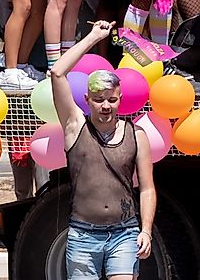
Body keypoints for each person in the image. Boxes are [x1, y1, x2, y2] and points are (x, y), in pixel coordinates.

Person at [49, 22, 155, 280]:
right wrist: (94, 37)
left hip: (125, 233)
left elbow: (148, 188)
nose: (105, 106)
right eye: (98, 99)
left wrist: (146, 231)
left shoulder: (136, 134)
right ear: (87, 100)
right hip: (83, 235)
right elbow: (57, 73)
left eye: (111, 99)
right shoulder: (75, 126)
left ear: (120, 98)